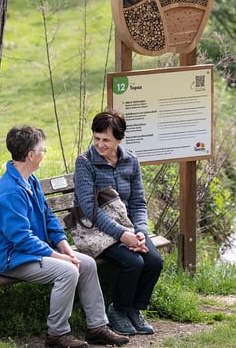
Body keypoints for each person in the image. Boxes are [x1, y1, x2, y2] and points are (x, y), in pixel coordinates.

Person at [0, 125, 129, 348]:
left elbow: (48, 216)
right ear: (31, 155)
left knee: (87, 264)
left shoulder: (29, 180)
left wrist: (67, 249)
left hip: (32, 251)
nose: (44, 153)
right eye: (42, 150)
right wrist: (59, 257)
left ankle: (97, 327)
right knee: (68, 271)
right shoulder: (10, 192)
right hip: (11, 258)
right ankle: (57, 335)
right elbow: (21, 239)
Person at [73, 109, 164, 336]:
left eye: (106, 140)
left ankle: (133, 309)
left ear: (119, 139)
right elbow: (89, 209)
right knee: (133, 262)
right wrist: (124, 235)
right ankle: (117, 311)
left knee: (154, 261)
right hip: (96, 231)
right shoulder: (85, 163)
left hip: (129, 229)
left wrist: (141, 232)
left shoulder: (131, 161)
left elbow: (138, 203)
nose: (100, 145)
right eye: (96, 138)